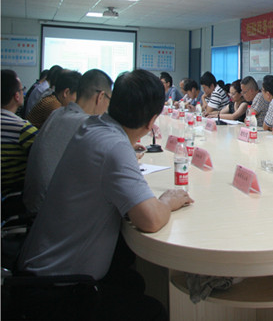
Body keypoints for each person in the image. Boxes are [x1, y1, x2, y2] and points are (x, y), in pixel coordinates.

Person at [17, 69, 194, 320]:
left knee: (132, 278)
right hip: (56, 288)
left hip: (40, 266)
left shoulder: (94, 126)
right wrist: (168, 200)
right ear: (152, 122)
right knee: (153, 312)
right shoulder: (114, 146)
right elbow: (151, 219)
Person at [23, 69, 113, 213]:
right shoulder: (87, 124)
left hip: (33, 201)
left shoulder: (57, 113)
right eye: (109, 99)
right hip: (50, 210)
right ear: (100, 96)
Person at [1, 69, 38, 195]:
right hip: (12, 195)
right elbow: (43, 159)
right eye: (22, 90)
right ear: (17, 96)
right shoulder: (23, 128)